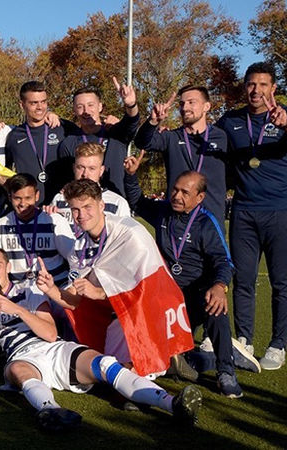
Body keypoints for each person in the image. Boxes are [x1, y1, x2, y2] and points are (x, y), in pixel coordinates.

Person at [0, 246, 202, 430]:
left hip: (54, 349)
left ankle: (173, 404)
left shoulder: (29, 291)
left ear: (7, 267)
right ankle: (51, 412)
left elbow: (50, 333)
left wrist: (19, 310)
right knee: (19, 372)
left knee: (106, 364)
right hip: (22, 357)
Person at [125, 158, 257, 396]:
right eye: (175, 189)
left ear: (199, 198)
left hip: (197, 297)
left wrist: (219, 286)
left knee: (216, 307)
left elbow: (223, 261)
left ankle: (226, 370)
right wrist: (131, 175)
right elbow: (137, 200)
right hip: (167, 300)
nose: (177, 196)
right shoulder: (163, 212)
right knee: (173, 365)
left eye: (185, 192)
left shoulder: (206, 224)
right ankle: (217, 355)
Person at [49, 178, 194, 376]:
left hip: (148, 308)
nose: (81, 215)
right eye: (75, 209)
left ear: (101, 205)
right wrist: (51, 289)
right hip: (119, 311)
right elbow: (75, 300)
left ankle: (165, 356)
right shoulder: (79, 248)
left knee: (129, 374)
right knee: (108, 369)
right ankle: (166, 361)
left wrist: (99, 293)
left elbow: (144, 289)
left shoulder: (130, 233)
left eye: (87, 207)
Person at [216, 62, 287, 371]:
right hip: (243, 211)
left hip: (280, 210)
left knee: (281, 283)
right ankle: (244, 340)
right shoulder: (231, 120)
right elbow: (204, 138)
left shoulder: (283, 117)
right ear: (244, 87)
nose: (256, 90)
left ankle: (278, 343)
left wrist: (286, 125)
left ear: (273, 89)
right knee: (243, 280)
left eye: (263, 85)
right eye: (251, 84)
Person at [134, 85, 227, 221]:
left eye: (191, 102)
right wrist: (153, 121)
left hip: (211, 218)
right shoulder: (171, 137)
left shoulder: (222, 137)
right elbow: (142, 142)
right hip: (178, 219)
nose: (185, 108)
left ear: (206, 106)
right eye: (182, 103)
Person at [0, 174, 74, 287]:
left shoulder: (53, 220)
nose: (22, 204)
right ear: (10, 197)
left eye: (28, 198)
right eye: (17, 198)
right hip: (20, 292)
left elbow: (74, 258)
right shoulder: (1, 225)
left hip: (56, 286)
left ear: (37, 196)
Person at [58, 78, 140, 198]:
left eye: (91, 105)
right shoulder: (68, 143)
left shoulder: (116, 133)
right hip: (85, 207)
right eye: (80, 106)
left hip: (115, 206)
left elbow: (132, 120)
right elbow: (67, 181)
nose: (86, 111)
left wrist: (131, 104)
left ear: (100, 106)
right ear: (74, 110)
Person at [5, 81, 74, 205]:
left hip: (62, 206)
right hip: (29, 209)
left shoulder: (63, 127)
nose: (40, 107)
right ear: (22, 105)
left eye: (43, 102)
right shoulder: (14, 136)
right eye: (34, 103)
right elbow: (6, 171)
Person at [47, 142, 130, 229]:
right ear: (74, 168)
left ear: (101, 171)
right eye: (80, 167)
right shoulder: (59, 199)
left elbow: (125, 237)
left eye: (92, 168)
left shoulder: (118, 203)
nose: (85, 174)